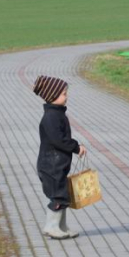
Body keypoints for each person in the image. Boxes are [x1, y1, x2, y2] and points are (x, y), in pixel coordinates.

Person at [33, 75, 87, 239]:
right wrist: (76, 147)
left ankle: (62, 226)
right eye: (63, 93)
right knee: (59, 196)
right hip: (51, 166)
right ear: (52, 96)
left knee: (64, 195)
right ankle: (51, 226)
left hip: (57, 165)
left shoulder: (57, 114)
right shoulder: (51, 117)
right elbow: (59, 140)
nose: (66, 96)